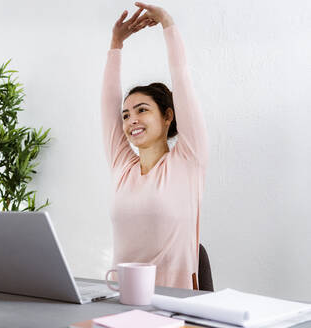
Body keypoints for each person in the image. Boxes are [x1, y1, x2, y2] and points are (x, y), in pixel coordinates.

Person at [101, 2, 209, 289]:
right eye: (126, 115)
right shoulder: (122, 167)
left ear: (168, 116)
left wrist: (167, 24)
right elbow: (107, 107)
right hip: (123, 303)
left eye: (142, 110)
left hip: (176, 307)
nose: (131, 119)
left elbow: (181, 77)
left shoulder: (188, 160)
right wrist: (116, 45)